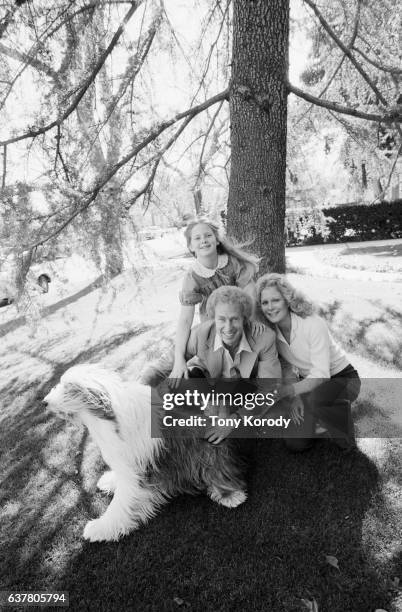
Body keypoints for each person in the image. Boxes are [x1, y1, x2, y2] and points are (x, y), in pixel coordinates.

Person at [146, 285, 282, 444]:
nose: (228, 327)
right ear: (213, 318)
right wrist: (138, 390)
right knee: (179, 382)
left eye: (234, 319)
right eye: (222, 319)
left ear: (244, 318)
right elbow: (161, 367)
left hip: (243, 389)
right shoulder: (201, 333)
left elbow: (270, 389)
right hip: (211, 382)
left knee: (245, 432)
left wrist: (233, 420)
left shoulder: (265, 338)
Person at [256, 273, 361, 451]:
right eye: (265, 302)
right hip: (310, 384)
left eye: (276, 300)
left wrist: (289, 391)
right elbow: (287, 367)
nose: (270, 307)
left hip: (342, 379)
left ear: (287, 300)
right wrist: (296, 395)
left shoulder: (312, 323)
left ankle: (341, 417)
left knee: (316, 401)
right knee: (295, 443)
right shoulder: (270, 332)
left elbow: (321, 374)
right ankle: (321, 418)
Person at [169, 217, 260, 387]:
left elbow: (250, 297)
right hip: (213, 327)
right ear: (190, 247)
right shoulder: (192, 277)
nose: (203, 240)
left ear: (217, 240)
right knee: (174, 360)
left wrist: (250, 323)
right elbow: (185, 320)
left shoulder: (232, 263)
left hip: (241, 320)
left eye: (208, 235)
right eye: (197, 238)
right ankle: (188, 369)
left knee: (245, 354)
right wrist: (178, 359)